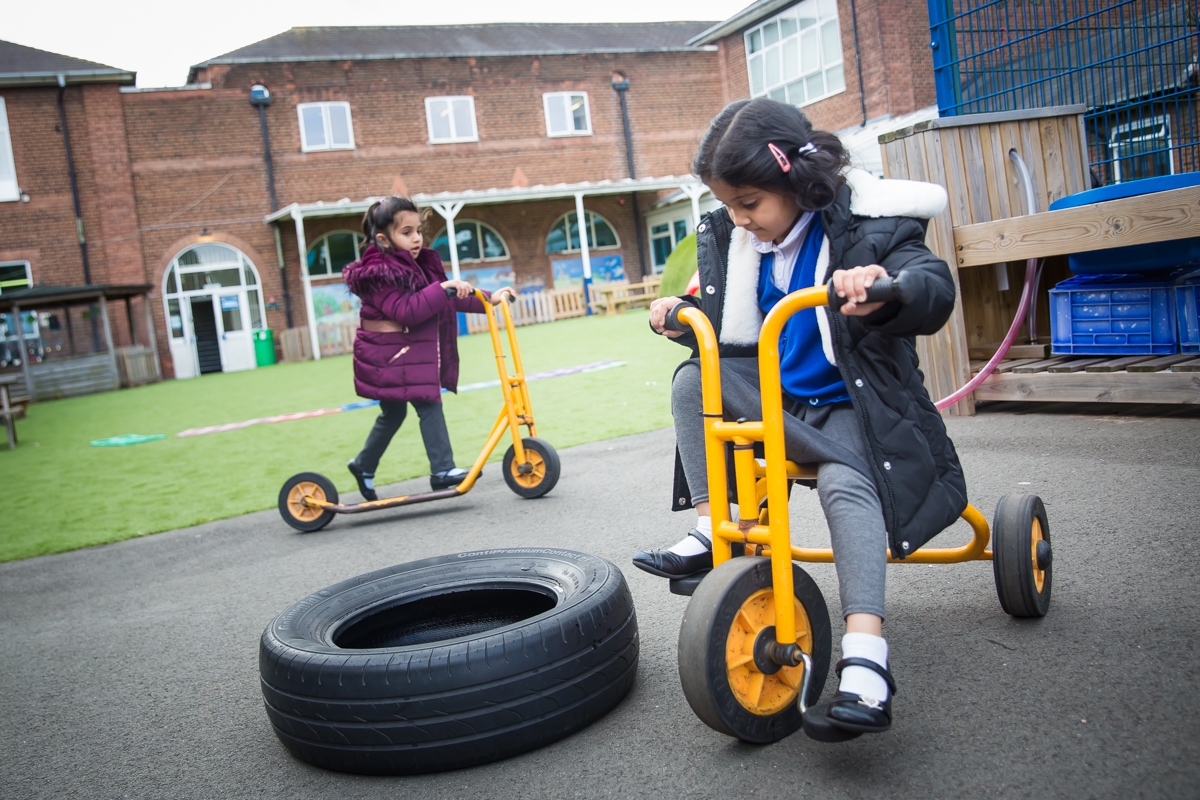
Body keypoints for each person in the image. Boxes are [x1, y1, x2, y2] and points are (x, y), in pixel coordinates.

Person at [633, 98, 967, 740]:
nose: (739, 219)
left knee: (846, 483)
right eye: (729, 206)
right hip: (781, 404)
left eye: (750, 202)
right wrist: (683, 311)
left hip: (852, 404)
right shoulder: (739, 243)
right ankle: (713, 528)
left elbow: (931, 284)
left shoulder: (869, 225)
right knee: (690, 383)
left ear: (795, 181)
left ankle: (867, 660)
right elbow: (730, 332)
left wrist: (885, 288)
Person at [343, 196, 514, 500]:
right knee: (427, 403)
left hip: (402, 353)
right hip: (387, 356)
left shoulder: (420, 264)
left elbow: (450, 296)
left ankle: (363, 464)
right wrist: (442, 289)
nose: (416, 238)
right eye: (406, 232)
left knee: (393, 414)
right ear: (384, 239)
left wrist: (490, 297)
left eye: (418, 230)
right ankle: (442, 470)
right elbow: (406, 311)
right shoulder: (380, 273)